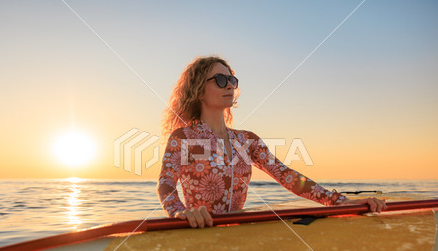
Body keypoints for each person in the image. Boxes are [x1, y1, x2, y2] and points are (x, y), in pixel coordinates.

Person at [157, 56, 387, 228]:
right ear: (198, 89)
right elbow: (166, 184)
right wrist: (179, 213)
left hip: (239, 233)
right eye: (220, 79)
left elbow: (288, 177)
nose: (229, 85)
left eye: (232, 80)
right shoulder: (183, 138)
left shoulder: (247, 140)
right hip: (198, 231)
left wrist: (339, 202)